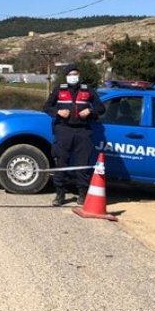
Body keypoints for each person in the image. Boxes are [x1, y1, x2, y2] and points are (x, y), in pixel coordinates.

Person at [42, 63, 105, 206]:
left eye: (75, 74)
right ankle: (60, 195)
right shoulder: (59, 90)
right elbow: (46, 107)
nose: (73, 77)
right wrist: (57, 112)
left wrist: (90, 111)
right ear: (66, 76)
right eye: (70, 74)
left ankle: (82, 195)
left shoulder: (87, 89)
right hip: (64, 130)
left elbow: (101, 108)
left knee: (82, 164)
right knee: (61, 163)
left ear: (79, 75)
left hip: (83, 131)